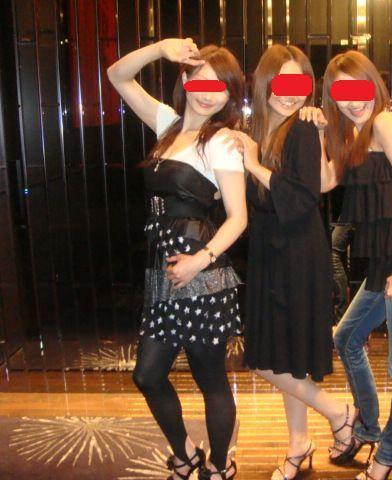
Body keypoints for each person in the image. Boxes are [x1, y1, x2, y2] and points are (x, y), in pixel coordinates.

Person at [107, 38, 246, 480]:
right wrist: (161, 49)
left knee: (210, 378)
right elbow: (117, 75)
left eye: (220, 86)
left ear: (229, 95)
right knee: (147, 375)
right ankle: (185, 454)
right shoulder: (167, 124)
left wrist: (199, 261)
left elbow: (238, 217)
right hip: (162, 272)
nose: (208, 93)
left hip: (201, 274)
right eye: (200, 81)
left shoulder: (221, 141)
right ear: (184, 80)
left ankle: (220, 465)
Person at [309, 50, 392, 480]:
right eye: (341, 94)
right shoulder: (354, 132)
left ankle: (389, 455)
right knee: (346, 337)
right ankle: (368, 427)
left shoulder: (384, 123)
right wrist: (319, 132)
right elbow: (325, 181)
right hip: (385, 261)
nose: (352, 100)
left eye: (359, 88)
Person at [228, 44, 357, 480]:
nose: (290, 92)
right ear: (265, 84)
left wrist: (253, 165)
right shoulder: (259, 130)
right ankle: (299, 443)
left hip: (298, 254)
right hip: (270, 253)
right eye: (282, 82)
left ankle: (339, 413)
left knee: (265, 359)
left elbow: (303, 199)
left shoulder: (302, 129)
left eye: (299, 83)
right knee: (286, 356)